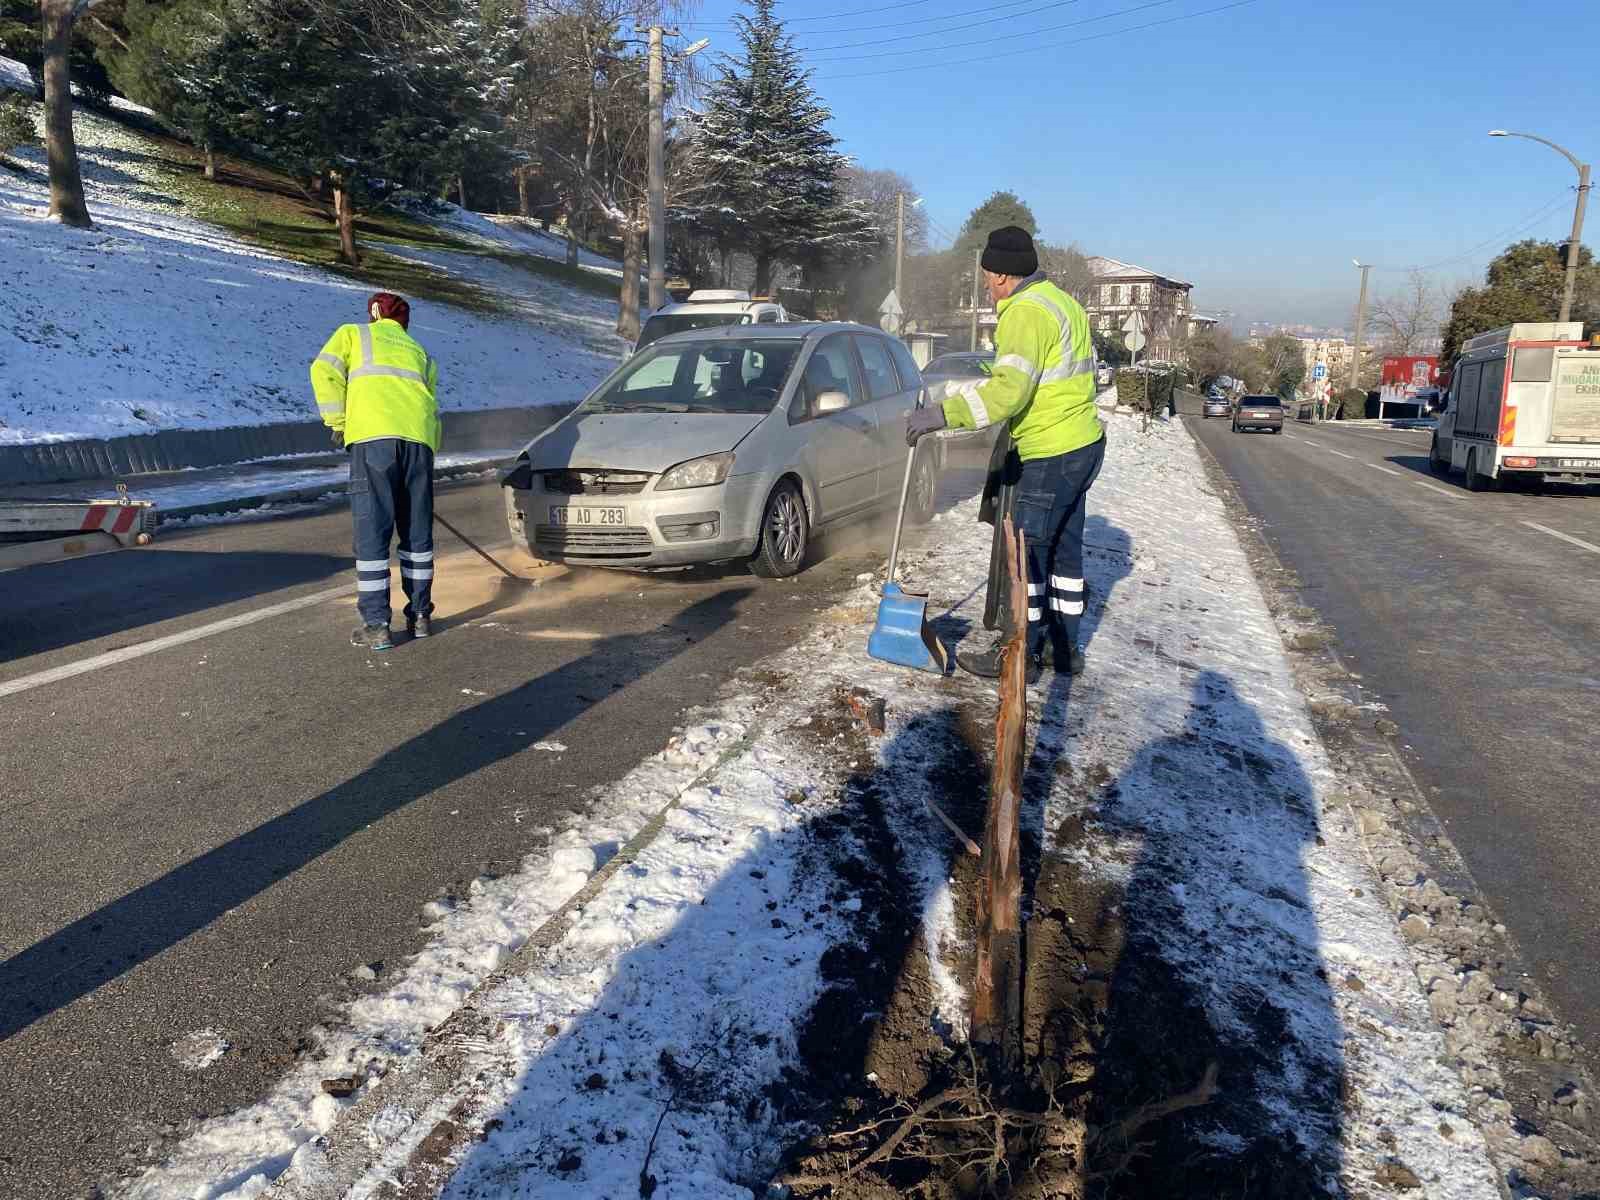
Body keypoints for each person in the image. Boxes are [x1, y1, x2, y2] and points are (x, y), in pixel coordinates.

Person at [906, 226, 1105, 684]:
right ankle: (1064, 648)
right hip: (1083, 444)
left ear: (998, 274)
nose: (983, 283)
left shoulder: (1024, 313)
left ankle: (1018, 656)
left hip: (1051, 449)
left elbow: (1008, 394)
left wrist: (943, 414)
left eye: (984, 275)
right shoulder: (1061, 301)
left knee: (1026, 554)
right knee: (1064, 554)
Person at [310, 292, 441, 651]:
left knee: (373, 532)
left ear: (373, 315)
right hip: (418, 445)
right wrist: (424, 458)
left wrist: (337, 420)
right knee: (417, 536)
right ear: (404, 322)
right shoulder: (421, 352)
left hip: (373, 443)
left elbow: (323, 370)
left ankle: (377, 625)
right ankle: (420, 618)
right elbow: (432, 405)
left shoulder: (354, 335)